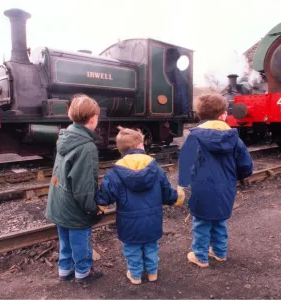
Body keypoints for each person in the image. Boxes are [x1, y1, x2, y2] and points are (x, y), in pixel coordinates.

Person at [96, 126, 185, 285]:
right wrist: (177, 198)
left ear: (120, 149)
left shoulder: (115, 172)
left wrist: (99, 206)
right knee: (151, 247)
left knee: (132, 249)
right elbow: (166, 192)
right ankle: (152, 273)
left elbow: (106, 195)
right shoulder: (155, 168)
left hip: (128, 223)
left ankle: (136, 275)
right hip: (152, 221)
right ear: (140, 146)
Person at [178, 94, 253, 268]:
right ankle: (220, 252)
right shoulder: (234, 138)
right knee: (219, 221)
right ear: (223, 115)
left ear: (199, 115)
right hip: (226, 188)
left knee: (202, 223)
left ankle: (200, 257)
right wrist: (241, 175)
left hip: (201, 189)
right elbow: (246, 165)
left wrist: (182, 184)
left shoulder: (194, 137)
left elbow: (185, 163)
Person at [45, 94, 103, 282]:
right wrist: (91, 209)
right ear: (93, 118)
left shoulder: (66, 136)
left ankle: (65, 269)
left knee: (65, 239)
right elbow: (84, 187)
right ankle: (83, 272)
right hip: (74, 207)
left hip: (59, 202)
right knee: (80, 240)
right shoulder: (86, 147)